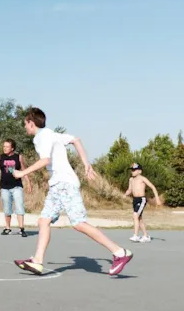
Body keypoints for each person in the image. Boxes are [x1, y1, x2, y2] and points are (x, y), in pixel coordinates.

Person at [12, 107, 133, 277]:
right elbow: (76, 139)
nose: (25, 127)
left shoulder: (41, 137)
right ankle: (37, 262)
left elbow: (45, 160)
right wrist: (86, 164)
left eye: (25, 124)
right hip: (57, 185)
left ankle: (120, 252)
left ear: (31, 123)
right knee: (43, 220)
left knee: (78, 223)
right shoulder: (52, 134)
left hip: (64, 184)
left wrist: (22, 173)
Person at [0, 139, 30, 236]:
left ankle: (21, 228)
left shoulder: (18, 157)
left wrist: (28, 183)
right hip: (4, 187)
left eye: (7, 146)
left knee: (19, 206)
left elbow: (24, 171)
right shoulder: (0, 158)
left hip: (17, 186)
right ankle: (7, 228)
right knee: (7, 208)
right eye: (4, 146)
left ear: (12, 148)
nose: (4, 148)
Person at [125, 163, 159, 243]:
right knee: (139, 218)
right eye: (132, 170)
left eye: (134, 170)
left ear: (139, 171)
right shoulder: (131, 179)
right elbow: (129, 189)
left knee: (135, 215)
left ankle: (136, 236)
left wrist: (157, 198)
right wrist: (125, 194)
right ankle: (146, 236)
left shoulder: (142, 178)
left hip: (141, 199)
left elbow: (152, 187)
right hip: (135, 200)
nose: (132, 171)